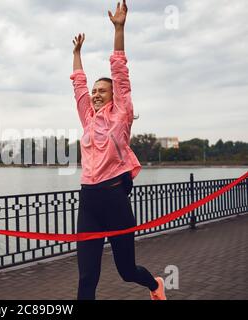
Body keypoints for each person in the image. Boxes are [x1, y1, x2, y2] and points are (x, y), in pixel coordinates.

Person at [70, 0, 166, 300]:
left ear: (113, 96)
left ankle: (154, 285)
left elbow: (120, 71)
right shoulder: (88, 116)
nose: (95, 94)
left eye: (102, 91)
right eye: (94, 91)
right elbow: (78, 86)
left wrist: (119, 29)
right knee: (87, 276)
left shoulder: (121, 112)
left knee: (126, 270)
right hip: (88, 200)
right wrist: (76, 55)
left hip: (114, 198)